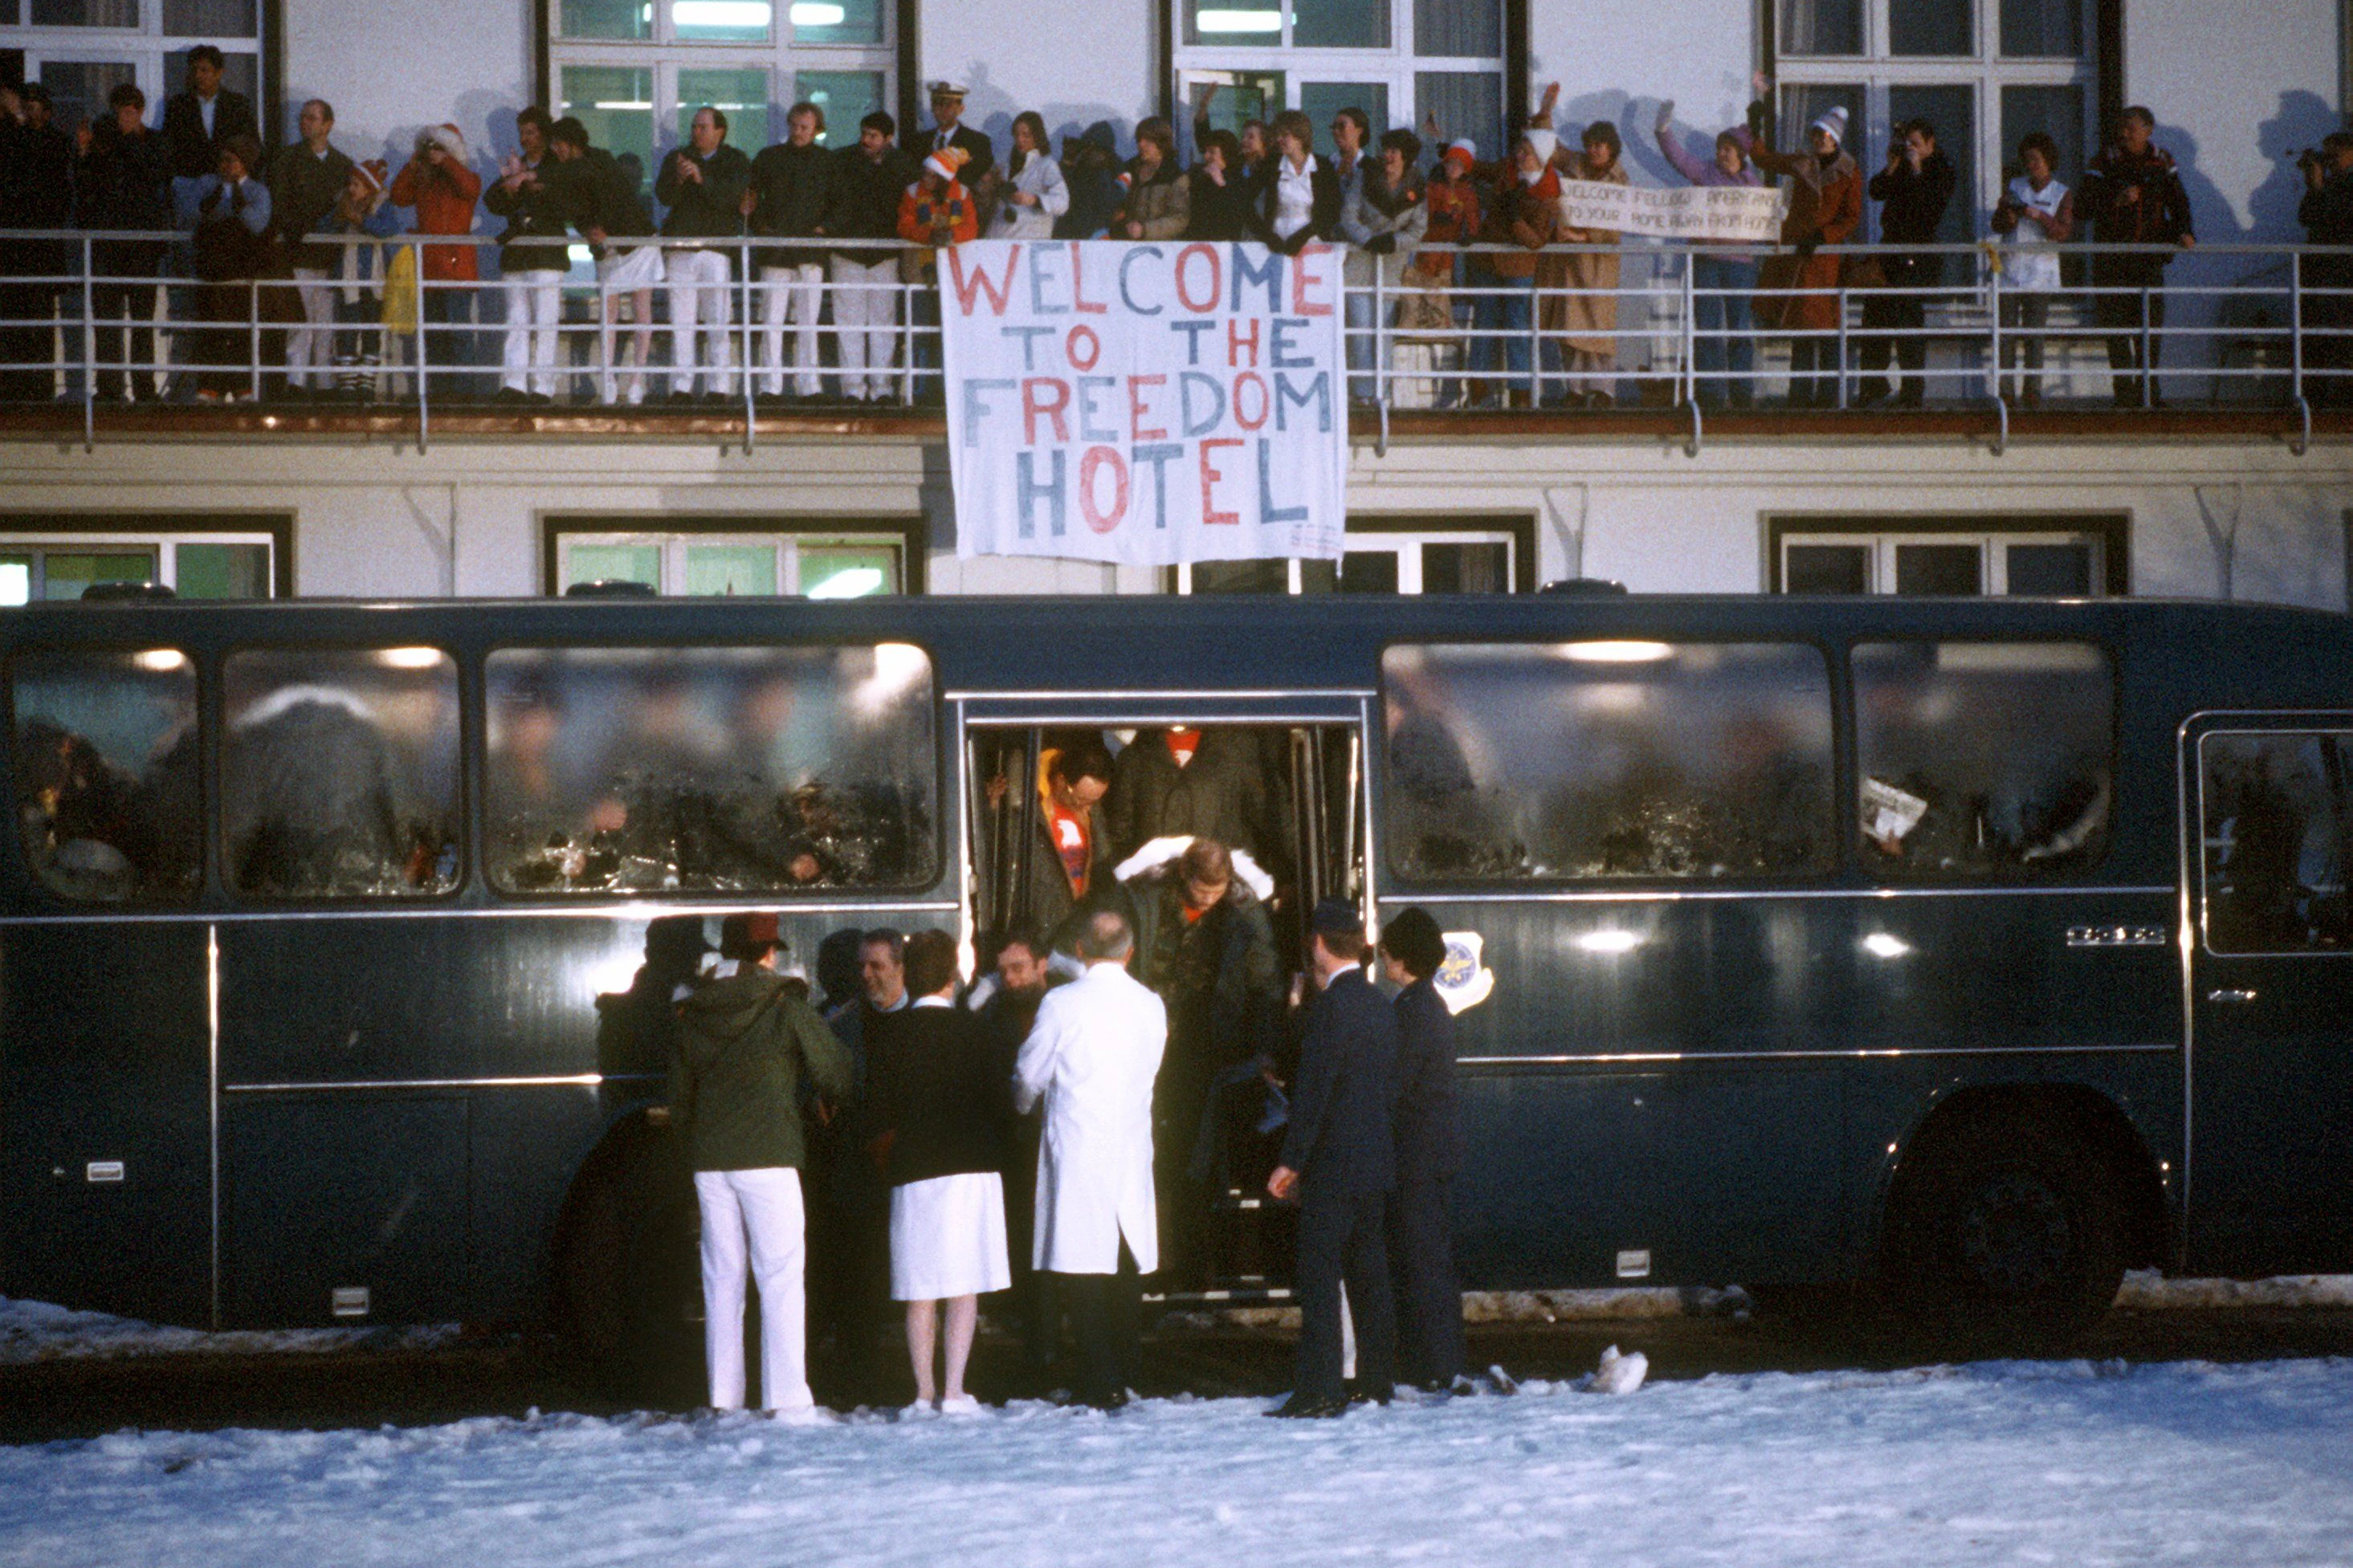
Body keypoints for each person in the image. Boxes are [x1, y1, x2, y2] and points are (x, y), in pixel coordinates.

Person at [668, 910, 855, 1414]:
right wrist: (829, 1096)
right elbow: (834, 1067)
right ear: (769, 954)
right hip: (770, 1155)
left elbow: (680, 1097)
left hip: (711, 1161)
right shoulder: (782, 1002)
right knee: (780, 1275)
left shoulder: (694, 1008)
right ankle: (786, 1399)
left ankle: (723, 1399)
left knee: (722, 1279)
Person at [1013, 906, 1168, 1411]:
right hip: (1129, 1141)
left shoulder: (1062, 1003)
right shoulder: (1151, 1004)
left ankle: (1096, 1377)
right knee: (1123, 1258)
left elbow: (1029, 1075)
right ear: (1130, 951)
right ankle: (1126, 1368)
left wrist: (1022, 1106)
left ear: (1079, 950)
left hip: (1078, 1145)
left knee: (1081, 1265)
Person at [868, 929, 1013, 1413]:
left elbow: (878, 1111)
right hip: (972, 1167)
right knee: (962, 1285)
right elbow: (1001, 1102)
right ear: (954, 976)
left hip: (914, 1170)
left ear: (908, 974)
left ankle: (923, 1390)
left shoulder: (890, 1034)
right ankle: (954, 1390)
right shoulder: (979, 1031)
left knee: (920, 1287)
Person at [1127, 836, 1283, 1283]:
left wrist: (1263, 1048)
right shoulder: (1147, 899)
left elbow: (1265, 981)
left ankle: (1195, 1264)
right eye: (1201, 893)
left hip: (1207, 1046)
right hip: (1148, 1039)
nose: (1210, 901)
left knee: (1196, 1153)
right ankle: (1151, 1259)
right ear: (1184, 876)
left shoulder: (1244, 912)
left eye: (1217, 893)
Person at [1266, 898, 1400, 1419]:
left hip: (1333, 1166)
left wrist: (1291, 1160)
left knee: (1320, 1275)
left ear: (1319, 944)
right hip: (1374, 1161)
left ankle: (1320, 1388)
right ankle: (1375, 1379)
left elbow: (1315, 1093)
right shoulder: (1379, 1006)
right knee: (1370, 1274)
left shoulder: (1330, 1011)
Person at [808, 926, 907, 1398]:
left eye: (876, 967)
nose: (866, 976)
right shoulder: (839, 1024)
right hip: (858, 1166)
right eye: (861, 967)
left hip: (911, 1162)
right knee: (859, 1271)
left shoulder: (922, 1017)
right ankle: (860, 1376)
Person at [1377, 907, 1466, 1393]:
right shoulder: (1427, 1005)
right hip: (1432, 1151)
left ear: (1403, 958)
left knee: (1419, 1258)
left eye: (1388, 951)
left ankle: (1433, 1364)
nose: (1382, 956)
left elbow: (1395, 1086)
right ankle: (1439, 1359)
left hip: (1415, 1154)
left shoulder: (1411, 1012)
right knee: (1430, 1256)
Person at [977, 929, 1065, 1387]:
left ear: (1042, 964)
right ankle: (1041, 1351)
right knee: (1030, 1252)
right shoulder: (994, 1016)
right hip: (1017, 1148)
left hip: (1058, 1144)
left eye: (1019, 968)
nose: (1010, 979)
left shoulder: (1062, 1008)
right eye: (1004, 970)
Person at [1742, 98, 1861, 409]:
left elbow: (1851, 216)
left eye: (1825, 135)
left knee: (1827, 326)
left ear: (1836, 139)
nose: (1820, 140)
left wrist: (1824, 235)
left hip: (1825, 257)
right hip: (1800, 255)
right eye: (1816, 134)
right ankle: (1801, 394)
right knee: (1803, 326)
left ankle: (1829, 394)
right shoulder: (1803, 162)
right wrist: (1756, 128)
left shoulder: (1849, 171)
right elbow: (1765, 160)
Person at [2079, 106, 2195, 408]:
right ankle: (2124, 393)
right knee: (2116, 328)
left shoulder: (2162, 160)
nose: (2124, 133)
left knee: (2149, 327)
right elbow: (2082, 207)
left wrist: (2185, 231)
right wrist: (2114, 200)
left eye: (2131, 127)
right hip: (2112, 260)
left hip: (2148, 259)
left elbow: (2178, 200)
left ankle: (2149, 393)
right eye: (2121, 127)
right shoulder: (2105, 160)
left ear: (2148, 129)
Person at [1654, 100, 1763, 409]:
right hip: (1707, 260)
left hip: (1740, 264)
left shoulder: (1752, 184)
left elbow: (1764, 215)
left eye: (1727, 149)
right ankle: (1712, 393)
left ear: (1740, 155)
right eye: (1720, 148)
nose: (1721, 153)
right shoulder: (1705, 172)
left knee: (1740, 327)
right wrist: (1663, 130)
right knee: (1708, 327)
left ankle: (1742, 393)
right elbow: (1678, 158)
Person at [75, 83, 173, 403]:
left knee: (142, 322)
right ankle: (110, 388)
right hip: (108, 244)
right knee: (107, 321)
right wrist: (84, 151)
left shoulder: (155, 142)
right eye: (119, 112)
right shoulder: (105, 142)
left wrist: (129, 139)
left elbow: (155, 174)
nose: (123, 118)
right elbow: (87, 184)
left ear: (140, 112)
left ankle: (144, 388)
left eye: (129, 112)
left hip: (143, 246)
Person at [550, 116, 658, 407]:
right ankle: (608, 378)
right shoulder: (563, 172)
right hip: (606, 246)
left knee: (641, 310)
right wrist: (590, 230)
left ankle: (637, 380)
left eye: (559, 144)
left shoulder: (602, 160)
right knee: (608, 313)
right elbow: (574, 209)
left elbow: (617, 198)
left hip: (636, 241)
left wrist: (604, 227)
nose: (556, 150)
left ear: (572, 142)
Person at [1857, 117, 1956, 409]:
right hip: (1891, 249)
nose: (1910, 148)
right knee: (1875, 317)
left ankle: (1912, 391)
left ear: (1930, 143)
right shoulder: (1900, 165)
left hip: (1917, 252)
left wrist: (1915, 169)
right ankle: (1873, 384)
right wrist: (1892, 165)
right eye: (1907, 143)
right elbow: (1876, 191)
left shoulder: (1941, 169)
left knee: (1907, 321)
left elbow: (1930, 206)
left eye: (1916, 144)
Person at [744, 100, 838, 405]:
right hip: (776, 249)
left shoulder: (827, 161)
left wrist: (825, 228)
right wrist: (761, 228)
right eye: (794, 126)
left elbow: (839, 201)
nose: (798, 132)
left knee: (808, 322)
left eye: (804, 127)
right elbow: (751, 197)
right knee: (771, 320)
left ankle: (808, 384)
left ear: (816, 129)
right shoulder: (769, 158)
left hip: (810, 249)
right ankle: (770, 385)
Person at [657, 105, 752, 403]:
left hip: (716, 247)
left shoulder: (734, 160)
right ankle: (682, 386)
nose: (696, 133)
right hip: (682, 246)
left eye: (703, 127)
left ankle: (718, 386)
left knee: (717, 320)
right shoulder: (678, 157)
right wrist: (680, 178)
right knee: (681, 321)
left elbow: (732, 198)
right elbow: (663, 196)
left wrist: (702, 178)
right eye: (694, 127)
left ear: (720, 131)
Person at [482, 106, 574, 407]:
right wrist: (510, 186)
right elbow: (492, 201)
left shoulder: (558, 165)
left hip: (546, 252)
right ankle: (515, 383)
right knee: (516, 319)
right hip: (518, 253)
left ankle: (543, 386)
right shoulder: (515, 164)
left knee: (546, 321)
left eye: (531, 132)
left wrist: (525, 183)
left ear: (544, 133)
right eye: (522, 133)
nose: (525, 139)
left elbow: (564, 199)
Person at [826, 110, 916, 405]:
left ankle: (882, 387)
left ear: (889, 138)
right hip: (848, 249)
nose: (866, 140)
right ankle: (852, 387)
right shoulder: (842, 160)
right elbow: (833, 200)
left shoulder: (903, 166)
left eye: (873, 136)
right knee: (848, 321)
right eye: (864, 133)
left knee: (883, 322)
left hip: (884, 252)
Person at [389, 123, 484, 401]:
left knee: (459, 331)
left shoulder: (467, 176)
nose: (434, 154)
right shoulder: (424, 180)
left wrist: (449, 162)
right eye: (431, 149)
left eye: (440, 148)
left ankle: (464, 393)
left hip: (457, 268)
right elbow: (398, 196)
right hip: (429, 266)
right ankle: (438, 391)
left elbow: (469, 189)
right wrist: (412, 165)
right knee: (433, 334)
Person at [267, 99, 354, 398]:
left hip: (330, 257)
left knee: (326, 324)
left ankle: (326, 382)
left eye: (313, 118)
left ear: (328, 124)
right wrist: (301, 230)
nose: (306, 123)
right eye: (303, 118)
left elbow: (351, 205)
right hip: (299, 252)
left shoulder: (343, 165)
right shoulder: (287, 160)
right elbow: (280, 204)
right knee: (299, 321)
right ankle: (296, 381)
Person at [1474, 124, 1562, 409]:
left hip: (1519, 267)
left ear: (1540, 157)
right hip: (1489, 259)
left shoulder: (1548, 192)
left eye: (1525, 151)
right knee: (1484, 323)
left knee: (1517, 326)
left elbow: (1537, 240)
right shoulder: (1506, 172)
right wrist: (1458, 157)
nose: (1519, 155)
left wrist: (1515, 219)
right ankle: (1477, 386)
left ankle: (1520, 391)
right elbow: (1481, 170)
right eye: (1519, 150)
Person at [1340, 127, 1427, 405]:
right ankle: (1362, 396)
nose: (1387, 156)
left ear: (1406, 157)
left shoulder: (1417, 186)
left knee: (1384, 332)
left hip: (1391, 267)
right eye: (1385, 150)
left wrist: (1394, 242)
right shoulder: (1366, 177)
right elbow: (1348, 216)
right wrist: (1369, 240)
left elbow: (1418, 229)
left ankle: (1382, 395)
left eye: (1394, 151)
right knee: (1361, 332)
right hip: (1359, 265)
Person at [182, 133, 273, 401]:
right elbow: (188, 214)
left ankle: (242, 386)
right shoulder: (206, 184)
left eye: (232, 160)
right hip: (210, 269)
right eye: (223, 160)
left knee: (241, 331)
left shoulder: (258, 191)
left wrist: (239, 201)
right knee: (210, 329)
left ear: (245, 163)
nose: (226, 165)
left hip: (240, 272)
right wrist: (213, 199)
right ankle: (209, 385)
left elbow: (258, 225)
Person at [0, 80, 74, 403]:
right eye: (25, 108)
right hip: (15, 246)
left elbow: (57, 189)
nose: (29, 114)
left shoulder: (58, 142)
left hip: (42, 244)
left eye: (34, 108)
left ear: (47, 110)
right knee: (13, 316)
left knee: (42, 318)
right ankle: (13, 385)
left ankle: (41, 387)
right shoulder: (13, 139)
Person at [1106, 725, 1275, 865]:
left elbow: (1262, 817)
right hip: (1154, 886)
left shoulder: (1236, 751)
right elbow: (1120, 830)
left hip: (1219, 884)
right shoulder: (1135, 757)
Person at [1991, 131, 2075, 409]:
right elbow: (1998, 226)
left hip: (2041, 272)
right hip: (2011, 268)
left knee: (2034, 335)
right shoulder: (2015, 186)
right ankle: (2005, 391)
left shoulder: (2060, 193)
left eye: (2036, 159)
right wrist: (2008, 215)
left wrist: (2040, 216)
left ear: (2048, 160)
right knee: (2005, 334)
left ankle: (2032, 391)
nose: (2031, 165)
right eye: (2027, 160)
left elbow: (2063, 232)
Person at [1548, 120, 1629, 407]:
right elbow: (1552, 150)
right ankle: (1576, 388)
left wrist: (1585, 235)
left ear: (1611, 148)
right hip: (1572, 261)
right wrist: (1544, 113)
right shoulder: (1576, 164)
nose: (1593, 150)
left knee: (1599, 327)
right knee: (1572, 326)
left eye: (1599, 145)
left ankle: (1604, 389)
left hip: (1600, 261)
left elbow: (1617, 224)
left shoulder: (1619, 179)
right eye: (1590, 144)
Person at [895, 143, 977, 401]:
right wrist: (930, 234)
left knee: (949, 331)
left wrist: (951, 234)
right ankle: (918, 387)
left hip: (953, 277)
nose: (925, 179)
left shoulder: (962, 194)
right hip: (919, 271)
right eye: (925, 173)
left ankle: (946, 390)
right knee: (919, 329)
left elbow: (971, 228)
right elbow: (904, 225)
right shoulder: (911, 192)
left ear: (944, 178)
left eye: (932, 175)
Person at [320, 157, 402, 401]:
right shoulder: (342, 204)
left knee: (370, 331)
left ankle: (366, 385)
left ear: (369, 187)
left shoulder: (382, 206)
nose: (351, 189)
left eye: (357, 184)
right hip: (348, 281)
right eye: (350, 184)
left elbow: (388, 228)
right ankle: (347, 385)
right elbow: (323, 228)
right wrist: (339, 217)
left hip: (373, 282)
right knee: (347, 330)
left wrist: (360, 220)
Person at [1414, 136, 1481, 409]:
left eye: (1459, 164)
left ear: (1466, 168)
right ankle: (1423, 384)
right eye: (1450, 163)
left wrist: (1470, 235)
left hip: (1450, 260)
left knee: (1446, 307)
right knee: (1423, 302)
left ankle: (1451, 386)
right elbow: (1423, 214)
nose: (1453, 168)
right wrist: (1435, 217)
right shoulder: (1433, 186)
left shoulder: (1467, 192)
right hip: (1427, 254)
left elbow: (1474, 219)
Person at [158, 44, 259, 192]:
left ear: (219, 73)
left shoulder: (237, 105)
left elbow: (252, 145)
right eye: (194, 70)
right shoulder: (179, 106)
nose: (198, 76)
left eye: (204, 70)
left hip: (231, 185)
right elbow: (168, 147)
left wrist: (244, 180)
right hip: (191, 185)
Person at [2299, 132, 2353, 406]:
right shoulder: (2331, 183)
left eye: (2332, 155)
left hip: (2344, 274)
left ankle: (2341, 397)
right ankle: (2317, 396)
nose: (2329, 161)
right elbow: (2306, 218)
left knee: (2342, 338)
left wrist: (2319, 189)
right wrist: (2314, 187)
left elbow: (2340, 219)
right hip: (2322, 273)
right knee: (2318, 336)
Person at [1250, 109, 1340, 257]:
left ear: (1300, 137)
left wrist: (1304, 236)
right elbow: (1245, 203)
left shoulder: (1324, 166)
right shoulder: (1271, 165)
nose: (1279, 139)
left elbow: (1332, 211)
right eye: (1277, 134)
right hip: (1275, 247)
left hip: (1314, 245)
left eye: (1285, 135)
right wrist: (1266, 236)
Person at [989, 111, 1069, 241]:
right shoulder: (1005, 166)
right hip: (1000, 242)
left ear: (1037, 136)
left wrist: (1034, 200)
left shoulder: (1047, 166)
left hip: (1029, 245)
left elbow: (1062, 203)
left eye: (1026, 135)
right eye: (1017, 134)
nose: (1020, 139)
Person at [905, 81, 994, 193]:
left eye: (949, 105)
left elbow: (975, 178)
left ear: (961, 109)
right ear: (932, 107)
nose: (943, 110)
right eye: (938, 104)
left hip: (961, 206)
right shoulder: (917, 142)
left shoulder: (978, 142)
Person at [1114, 117, 1189, 241]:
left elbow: (1179, 219)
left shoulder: (1175, 176)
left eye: (1148, 140)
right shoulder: (1128, 170)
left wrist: (1145, 230)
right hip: (1125, 247)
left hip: (1161, 250)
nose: (1141, 144)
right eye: (1139, 139)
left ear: (1162, 143)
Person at [1055, 122, 1125, 241]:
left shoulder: (1116, 169)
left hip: (1098, 236)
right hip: (1069, 233)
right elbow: (1061, 193)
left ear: (1106, 151)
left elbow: (1112, 204)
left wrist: (1101, 171)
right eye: (1087, 147)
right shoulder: (1080, 168)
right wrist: (1067, 163)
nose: (1090, 153)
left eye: (1095, 148)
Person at [1185, 128, 1250, 242]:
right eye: (1205, 152)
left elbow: (1237, 215)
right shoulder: (1197, 177)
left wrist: (1221, 185)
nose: (1206, 156)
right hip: (1196, 243)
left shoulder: (1238, 181)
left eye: (1212, 152)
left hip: (1225, 246)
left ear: (1226, 154)